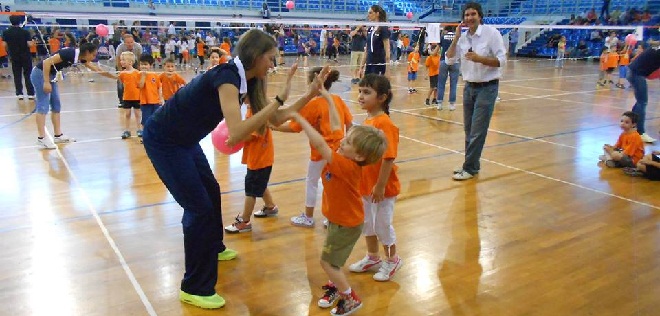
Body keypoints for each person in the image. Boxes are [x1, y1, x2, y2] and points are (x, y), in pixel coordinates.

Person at [141, 29, 329, 309]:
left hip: (185, 141)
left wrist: (310, 93)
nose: (272, 64)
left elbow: (274, 117)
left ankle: (213, 247)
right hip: (164, 141)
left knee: (211, 191)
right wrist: (279, 99)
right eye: (270, 58)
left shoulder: (250, 81)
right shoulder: (227, 76)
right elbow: (238, 132)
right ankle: (194, 287)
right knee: (198, 208)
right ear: (254, 55)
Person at [288, 86, 386, 316]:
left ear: (359, 155)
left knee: (327, 262)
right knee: (333, 258)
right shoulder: (344, 152)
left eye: (348, 142)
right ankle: (335, 284)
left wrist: (300, 119)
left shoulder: (345, 165)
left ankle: (350, 298)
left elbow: (321, 144)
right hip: (338, 218)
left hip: (346, 223)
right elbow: (335, 125)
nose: (342, 140)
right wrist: (327, 98)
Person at [278, 68, 353, 228]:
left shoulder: (313, 105)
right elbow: (350, 124)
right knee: (333, 184)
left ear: (314, 83)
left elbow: (295, 127)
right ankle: (333, 217)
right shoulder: (337, 100)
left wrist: (274, 127)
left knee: (312, 181)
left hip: (321, 152)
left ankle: (308, 216)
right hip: (338, 150)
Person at [348, 74, 402, 282]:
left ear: (382, 97)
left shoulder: (384, 123)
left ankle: (392, 259)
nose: (360, 96)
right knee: (368, 224)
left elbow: (388, 158)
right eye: (360, 91)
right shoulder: (368, 120)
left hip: (383, 189)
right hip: (366, 186)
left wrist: (380, 186)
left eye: (367, 92)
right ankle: (373, 257)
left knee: (382, 226)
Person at [445, 1, 507, 181]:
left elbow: (502, 61)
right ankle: (472, 164)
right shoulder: (463, 38)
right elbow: (449, 60)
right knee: (469, 130)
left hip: (487, 87)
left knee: (478, 130)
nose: (469, 18)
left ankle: (470, 167)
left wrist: (480, 59)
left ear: (480, 16)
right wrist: (456, 38)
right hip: (469, 87)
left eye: (473, 14)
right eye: (466, 15)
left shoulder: (492, 33)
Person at [30, 41, 117, 149]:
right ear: (86, 52)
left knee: (56, 106)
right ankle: (41, 138)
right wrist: (46, 82)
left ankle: (58, 135)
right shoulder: (70, 53)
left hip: (51, 75)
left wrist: (117, 77)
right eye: (93, 54)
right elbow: (46, 63)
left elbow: (98, 70)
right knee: (43, 106)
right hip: (40, 74)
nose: (94, 57)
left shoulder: (81, 58)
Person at [224, 99, 278, 234]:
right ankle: (270, 207)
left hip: (259, 159)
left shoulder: (255, 112)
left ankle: (244, 221)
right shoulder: (254, 108)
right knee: (259, 182)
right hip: (261, 157)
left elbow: (252, 135)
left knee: (251, 190)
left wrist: (235, 138)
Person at [626, 43, 659, 143]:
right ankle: (640, 133)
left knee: (640, 102)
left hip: (634, 71)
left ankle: (631, 126)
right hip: (637, 73)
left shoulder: (657, 47)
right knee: (642, 102)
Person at [3, 14, 35, 100]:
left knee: (17, 74)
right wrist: (33, 41)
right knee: (28, 74)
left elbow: (4, 44)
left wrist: (10, 51)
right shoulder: (25, 32)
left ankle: (19, 93)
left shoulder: (6, 32)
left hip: (14, 56)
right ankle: (31, 93)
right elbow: (29, 44)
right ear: (19, 21)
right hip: (25, 56)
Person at [117, 52, 142, 140]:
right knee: (127, 114)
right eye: (121, 60)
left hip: (136, 97)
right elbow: (122, 83)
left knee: (137, 114)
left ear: (130, 62)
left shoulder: (137, 73)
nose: (121, 62)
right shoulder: (122, 74)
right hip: (127, 97)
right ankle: (127, 130)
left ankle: (139, 129)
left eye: (124, 60)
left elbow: (139, 84)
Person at [115, 34, 143, 107]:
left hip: (134, 63)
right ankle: (122, 101)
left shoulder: (138, 47)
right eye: (128, 42)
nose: (130, 44)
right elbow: (118, 60)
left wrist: (139, 70)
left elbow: (140, 59)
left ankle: (138, 99)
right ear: (124, 43)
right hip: (122, 64)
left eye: (131, 42)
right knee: (120, 84)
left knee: (137, 82)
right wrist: (121, 71)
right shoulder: (120, 47)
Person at [138, 53, 163, 137]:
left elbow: (159, 87)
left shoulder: (155, 75)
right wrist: (143, 76)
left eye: (145, 64)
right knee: (145, 119)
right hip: (145, 102)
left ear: (151, 65)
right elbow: (140, 86)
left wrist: (160, 98)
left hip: (155, 101)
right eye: (141, 64)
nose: (143, 66)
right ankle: (145, 136)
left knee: (156, 119)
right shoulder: (139, 75)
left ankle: (155, 135)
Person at [363, 5, 390, 76]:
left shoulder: (383, 28)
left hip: (379, 64)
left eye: (370, 13)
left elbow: (387, 51)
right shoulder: (370, 29)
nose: (368, 15)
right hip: (369, 64)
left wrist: (388, 70)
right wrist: (361, 67)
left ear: (377, 14)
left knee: (376, 86)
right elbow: (366, 50)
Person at [437, 25, 460, 111]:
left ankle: (439, 103)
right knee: (453, 84)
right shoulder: (457, 37)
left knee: (441, 83)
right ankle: (452, 104)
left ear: (446, 30)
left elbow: (438, 48)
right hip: (455, 61)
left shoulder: (443, 37)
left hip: (444, 60)